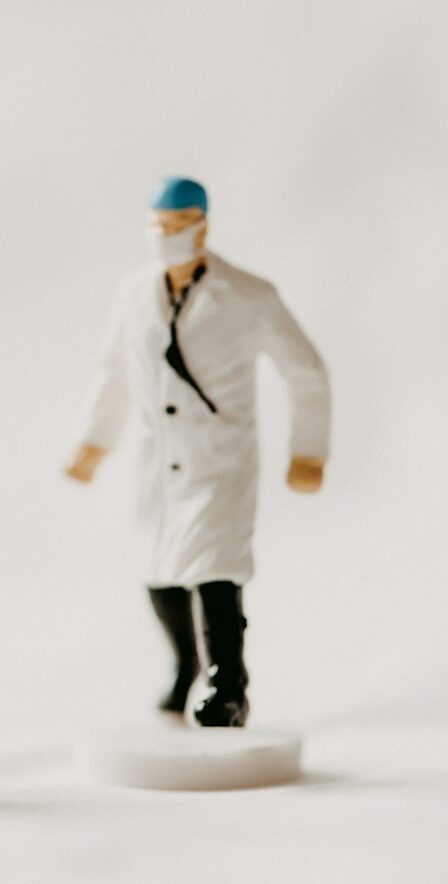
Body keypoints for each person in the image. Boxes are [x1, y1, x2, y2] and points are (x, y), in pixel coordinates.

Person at [64, 177, 331, 727]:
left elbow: (305, 372)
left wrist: (308, 451)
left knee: (215, 568)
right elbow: (113, 371)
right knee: (158, 571)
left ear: (202, 226)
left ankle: (229, 687)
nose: (163, 237)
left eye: (176, 226)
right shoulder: (135, 292)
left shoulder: (251, 295)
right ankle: (185, 665)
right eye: (156, 227)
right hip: (158, 460)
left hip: (218, 460)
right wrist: (95, 442)